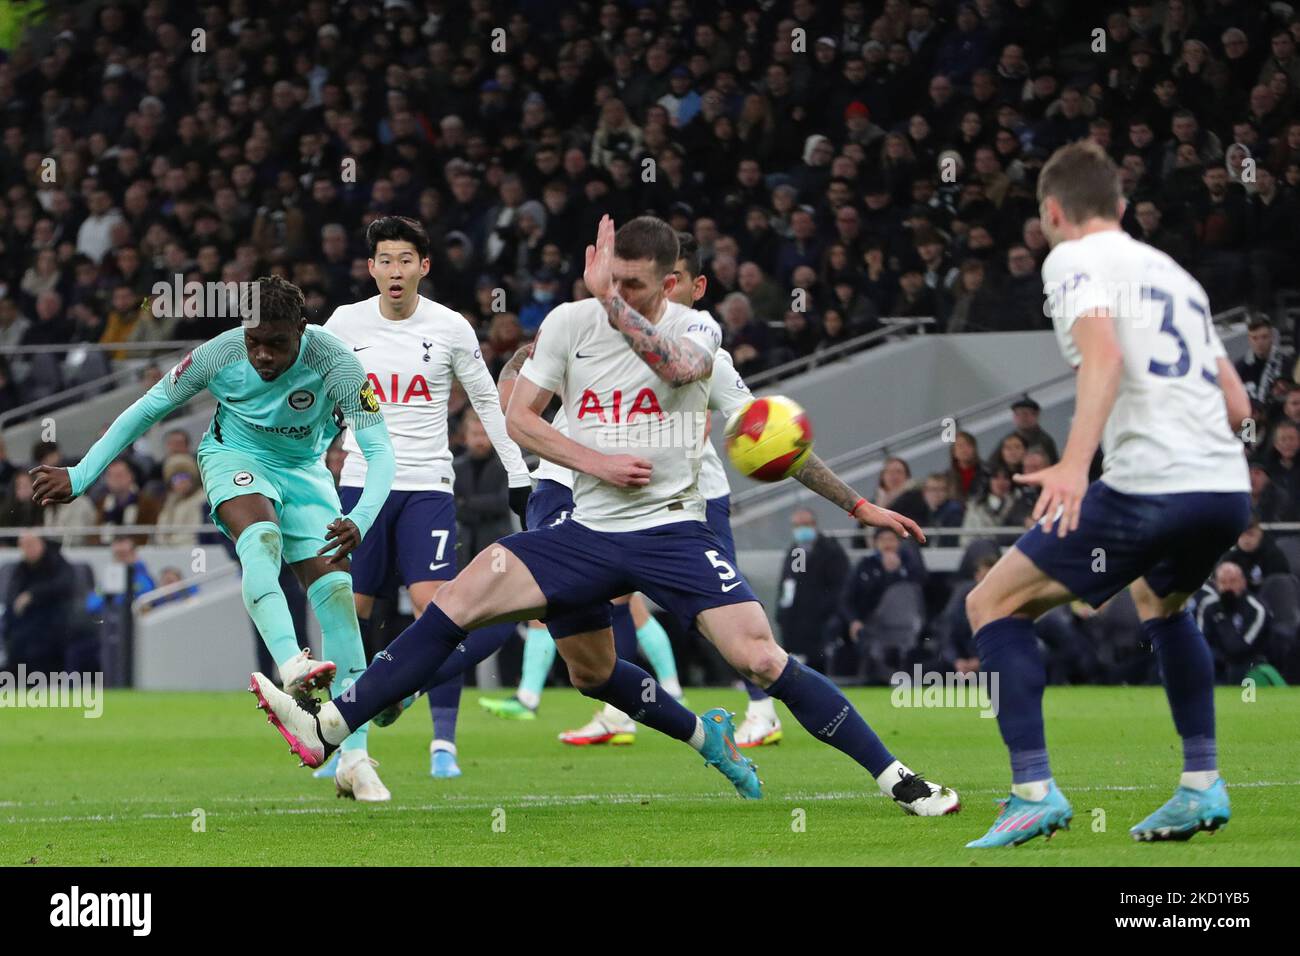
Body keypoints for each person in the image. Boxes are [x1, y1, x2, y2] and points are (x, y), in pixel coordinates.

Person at [251, 215, 959, 816]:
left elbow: (726, 401)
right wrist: (591, 463)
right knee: (485, 613)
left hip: (674, 530)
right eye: (611, 282)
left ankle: (898, 779)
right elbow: (521, 418)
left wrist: (860, 504)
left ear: (670, 285)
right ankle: (331, 728)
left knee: (759, 656)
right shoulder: (569, 324)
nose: (617, 296)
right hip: (584, 529)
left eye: (635, 287)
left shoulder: (698, 333)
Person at [963, 142, 1252, 847]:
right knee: (1162, 601)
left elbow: (1105, 355)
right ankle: (1199, 784)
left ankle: (1033, 791)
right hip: (1225, 489)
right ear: (1122, 209)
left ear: (1053, 213)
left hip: (1150, 485)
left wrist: (1072, 464)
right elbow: (1240, 406)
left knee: (990, 603)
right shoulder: (1177, 276)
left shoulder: (1072, 259)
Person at [31, 275, 397, 800]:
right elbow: (148, 408)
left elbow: (380, 450)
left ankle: (354, 758)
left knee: (338, 598)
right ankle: (292, 667)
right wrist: (82, 474)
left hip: (307, 474)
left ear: (302, 330)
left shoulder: (337, 364)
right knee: (261, 539)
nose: (263, 356)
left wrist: (360, 516)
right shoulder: (218, 353)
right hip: (234, 457)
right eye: (255, 342)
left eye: (276, 344)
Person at [311, 216, 530, 786]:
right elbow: (315, 403)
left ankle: (442, 744)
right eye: (385, 260)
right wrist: (310, 465)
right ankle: (350, 749)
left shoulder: (451, 327)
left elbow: (486, 400)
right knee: (349, 613)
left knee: (442, 614)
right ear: (372, 268)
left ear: (423, 267)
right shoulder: (343, 324)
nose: (395, 271)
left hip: (428, 488)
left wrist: (518, 475)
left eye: (406, 260)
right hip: (360, 486)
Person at [777, 509, 849, 681]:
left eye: (805, 524)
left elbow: (840, 588)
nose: (801, 529)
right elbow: (790, 584)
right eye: (797, 525)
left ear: (815, 525)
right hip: (796, 624)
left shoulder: (831, 551)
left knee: (819, 667)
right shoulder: (796, 552)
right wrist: (782, 614)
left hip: (823, 621)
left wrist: (826, 611)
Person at [2, 532, 77, 674]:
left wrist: (32, 595)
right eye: (24, 546)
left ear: (41, 544)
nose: (27, 549)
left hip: (53, 621)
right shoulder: (21, 568)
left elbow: (64, 586)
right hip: (25, 625)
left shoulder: (57, 562)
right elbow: (12, 594)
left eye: (31, 545)